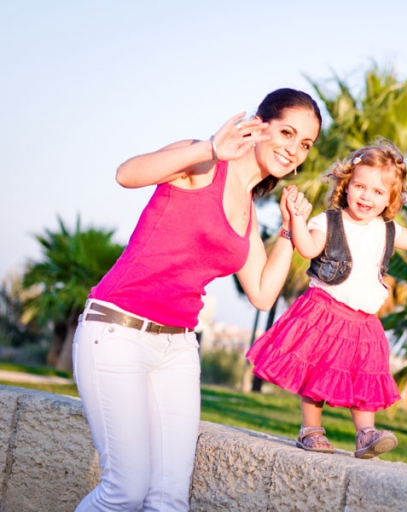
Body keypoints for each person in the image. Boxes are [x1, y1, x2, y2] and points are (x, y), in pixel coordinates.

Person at [72, 88, 322, 511]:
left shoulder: (246, 209)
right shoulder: (202, 160)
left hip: (178, 348)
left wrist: (289, 229)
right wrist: (209, 146)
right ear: (259, 125)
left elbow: (262, 293)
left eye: (305, 144)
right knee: (125, 491)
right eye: (287, 132)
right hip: (117, 331)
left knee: (169, 500)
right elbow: (126, 173)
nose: (293, 150)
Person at [246, 139, 407, 459]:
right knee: (316, 369)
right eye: (360, 186)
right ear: (346, 185)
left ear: (390, 198)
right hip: (324, 310)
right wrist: (295, 218)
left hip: (363, 319)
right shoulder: (328, 221)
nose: (367, 196)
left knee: (363, 374)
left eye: (378, 192)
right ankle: (311, 429)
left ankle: (365, 434)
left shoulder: (387, 228)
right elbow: (308, 249)